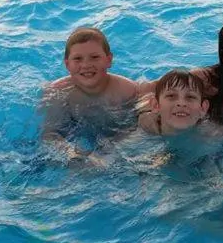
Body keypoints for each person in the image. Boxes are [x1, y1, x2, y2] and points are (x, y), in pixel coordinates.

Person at [41, 26, 149, 163]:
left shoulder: (128, 91)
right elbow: (50, 135)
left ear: (109, 60)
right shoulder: (57, 93)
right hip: (76, 136)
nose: (86, 65)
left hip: (118, 141)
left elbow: (143, 126)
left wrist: (115, 149)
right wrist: (70, 153)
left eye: (94, 57)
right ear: (67, 64)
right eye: (78, 59)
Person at [138, 69, 209, 136]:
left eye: (190, 97)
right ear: (156, 105)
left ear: (203, 108)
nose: (181, 103)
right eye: (171, 96)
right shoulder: (144, 131)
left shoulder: (210, 136)